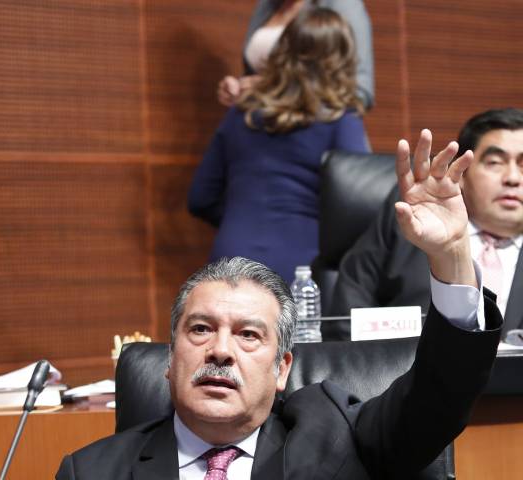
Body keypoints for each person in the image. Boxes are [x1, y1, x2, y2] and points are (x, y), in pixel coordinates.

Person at [56, 129, 502, 479]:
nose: (220, 350)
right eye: (200, 329)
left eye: (249, 334)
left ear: (282, 368)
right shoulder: (91, 471)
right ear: (170, 359)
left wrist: (452, 256)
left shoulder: (337, 439)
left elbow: (438, 397)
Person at [189, 8, 369, 284]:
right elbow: (358, 208)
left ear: (282, 51)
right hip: (303, 264)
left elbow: (200, 198)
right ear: (342, 61)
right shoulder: (340, 120)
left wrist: (242, 219)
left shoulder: (241, 113)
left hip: (231, 258)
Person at [329, 108, 523, 340]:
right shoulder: (412, 219)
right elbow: (349, 309)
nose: (513, 178)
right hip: (407, 361)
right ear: (461, 173)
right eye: (495, 162)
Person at [218, 0, 374, 110]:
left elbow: (360, 93)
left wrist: (274, 89)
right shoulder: (267, 4)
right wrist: (238, 88)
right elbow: (261, 73)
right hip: (260, 126)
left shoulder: (342, 3)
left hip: (312, 133)